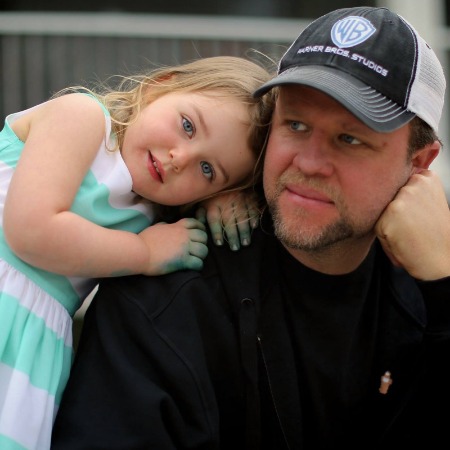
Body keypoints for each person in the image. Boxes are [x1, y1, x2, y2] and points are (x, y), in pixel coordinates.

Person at [51, 6, 450, 450]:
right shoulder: (170, 283)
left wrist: (443, 285)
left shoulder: (426, 297)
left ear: (419, 164)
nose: (308, 163)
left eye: (349, 139)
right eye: (295, 125)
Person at [0, 55, 275, 450]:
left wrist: (229, 203)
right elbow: (30, 230)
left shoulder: (147, 210)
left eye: (208, 170)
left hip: (31, 359)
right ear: (160, 85)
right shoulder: (83, 119)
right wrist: (144, 254)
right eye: (187, 125)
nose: (180, 158)